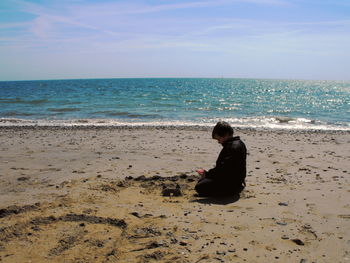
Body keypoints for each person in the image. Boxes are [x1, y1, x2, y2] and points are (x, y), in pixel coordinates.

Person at [195, 121, 247, 197]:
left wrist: (207, 174)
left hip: (231, 184)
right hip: (236, 180)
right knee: (203, 181)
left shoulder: (232, 147)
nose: (218, 142)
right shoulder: (239, 143)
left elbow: (223, 170)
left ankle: (228, 193)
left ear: (226, 135)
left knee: (199, 187)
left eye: (219, 139)